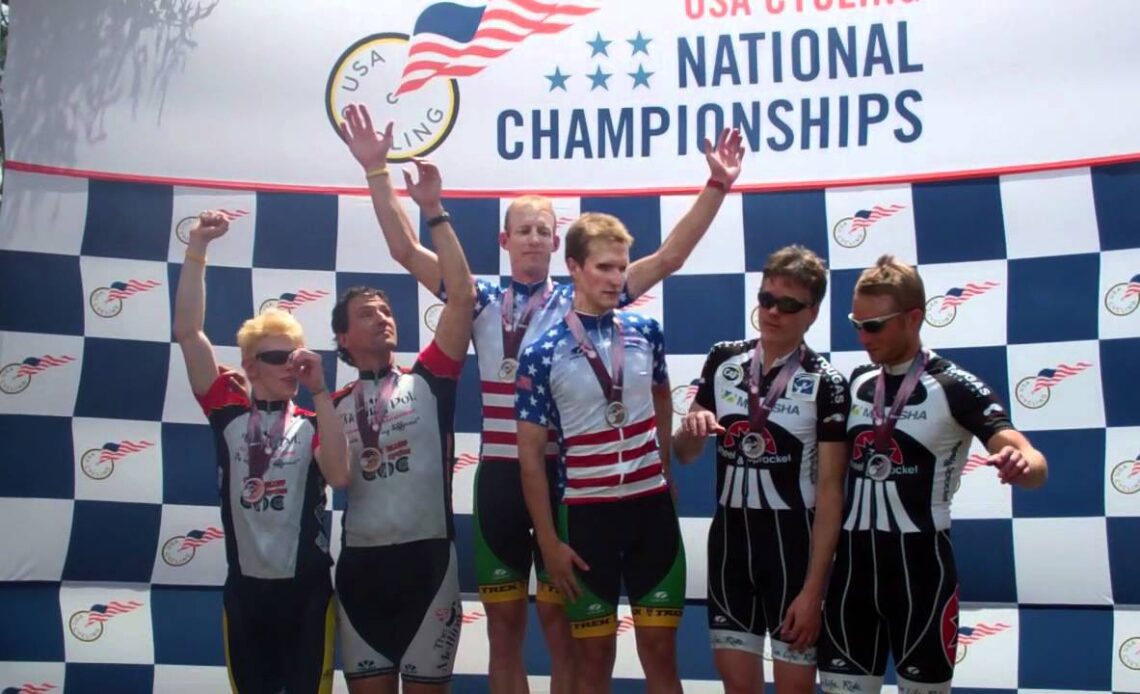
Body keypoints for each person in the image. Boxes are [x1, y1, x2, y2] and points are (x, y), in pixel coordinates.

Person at [338, 102, 744, 693]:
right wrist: (377, 171)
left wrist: (715, 185)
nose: (533, 238)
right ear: (504, 239)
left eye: (543, 230)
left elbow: (669, 258)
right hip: (502, 477)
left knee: (563, 632)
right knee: (504, 633)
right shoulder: (474, 297)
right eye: (522, 229)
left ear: (558, 244)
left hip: (565, 481)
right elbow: (405, 251)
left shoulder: (585, 295)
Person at [817, 255, 1048, 694]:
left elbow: (1031, 459)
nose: (863, 337)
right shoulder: (858, 381)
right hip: (852, 574)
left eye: (875, 325)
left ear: (913, 318)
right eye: (856, 324)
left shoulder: (955, 385)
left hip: (921, 572)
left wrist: (1023, 465)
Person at [172, 210, 350, 694]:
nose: (290, 366)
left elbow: (339, 477)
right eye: (276, 357)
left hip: (308, 592)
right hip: (246, 594)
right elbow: (189, 334)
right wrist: (197, 249)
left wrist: (319, 392)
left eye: (296, 356)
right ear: (249, 365)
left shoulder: (315, 419)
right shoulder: (228, 409)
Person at [515, 213, 685, 694]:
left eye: (621, 268)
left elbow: (662, 395)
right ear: (573, 267)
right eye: (604, 268)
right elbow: (530, 457)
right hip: (586, 518)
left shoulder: (645, 330)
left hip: (651, 512)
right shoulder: (541, 351)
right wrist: (548, 543)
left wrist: (664, 466)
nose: (616, 279)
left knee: (661, 657)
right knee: (592, 662)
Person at [328, 158, 476, 692]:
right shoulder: (330, 404)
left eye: (387, 309)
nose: (383, 317)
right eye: (367, 313)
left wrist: (433, 211)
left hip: (429, 566)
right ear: (342, 338)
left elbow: (462, 297)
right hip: (361, 571)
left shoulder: (430, 379)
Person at [673, 245, 849, 694]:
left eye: (787, 305)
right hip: (731, 547)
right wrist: (691, 430)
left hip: (794, 552)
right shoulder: (724, 360)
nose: (772, 312)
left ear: (812, 313)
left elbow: (831, 493)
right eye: (766, 299)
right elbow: (686, 452)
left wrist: (814, 592)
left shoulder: (826, 382)